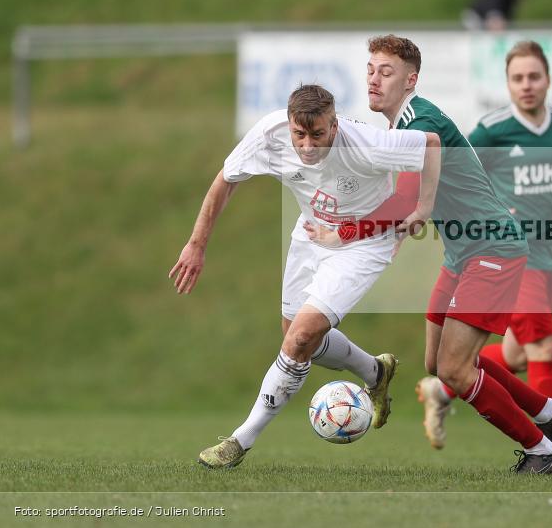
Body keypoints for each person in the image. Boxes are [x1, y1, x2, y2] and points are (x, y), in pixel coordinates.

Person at [313, 34, 552, 473]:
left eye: (386, 72)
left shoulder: (421, 124)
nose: (374, 80)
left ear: (410, 80)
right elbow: (407, 200)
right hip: (462, 253)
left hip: (493, 248)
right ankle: (550, 414)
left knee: (456, 371)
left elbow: (403, 203)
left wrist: (343, 232)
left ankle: (542, 451)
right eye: (370, 70)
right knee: (437, 363)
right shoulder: (401, 125)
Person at [169, 84, 442, 468]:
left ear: (334, 125)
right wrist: (196, 244)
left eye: (318, 134)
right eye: (300, 134)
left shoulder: (366, 142)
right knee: (296, 338)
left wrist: (423, 207)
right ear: (289, 124)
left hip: (364, 243)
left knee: (300, 338)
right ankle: (375, 371)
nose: (308, 145)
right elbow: (226, 179)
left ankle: (239, 441)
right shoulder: (270, 133)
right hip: (310, 235)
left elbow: (431, 143)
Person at [414, 40, 552, 469]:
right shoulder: (492, 129)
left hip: (548, 254)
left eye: (534, 76)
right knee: (543, 346)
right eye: (517, 78)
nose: (527, 85)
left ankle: (445, 386)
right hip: (508, 254)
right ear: (507, 83)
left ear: (548, 79)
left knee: (517, 354)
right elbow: (459, 172)